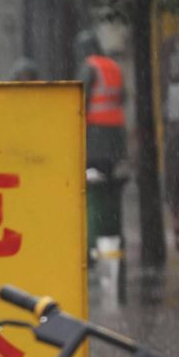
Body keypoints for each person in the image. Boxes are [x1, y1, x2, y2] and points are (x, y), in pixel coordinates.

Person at [75, 30, 128, 255]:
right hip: (115, 136)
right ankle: (110, 236)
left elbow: (80, 98)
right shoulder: (113, 66)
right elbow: (122, 97)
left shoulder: (89, 66)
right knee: (107, 186)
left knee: (92, 185)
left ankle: (94, 240)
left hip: (95, 136)